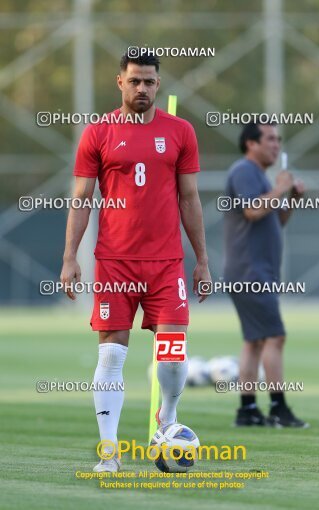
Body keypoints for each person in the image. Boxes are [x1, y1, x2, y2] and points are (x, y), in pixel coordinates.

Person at [60, 51, 211, 471]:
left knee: (173, 350)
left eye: (149, 81)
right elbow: (81, 199)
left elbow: (189, 198)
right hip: (114, 262)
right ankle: (109, 453)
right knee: (110, 356)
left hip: (166, 262)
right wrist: (70, 256)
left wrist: (201, 260)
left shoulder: (180, 131)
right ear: (120, 83)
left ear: (158, 85)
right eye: (135, 81)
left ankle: (169, 417)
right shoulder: (98, 133)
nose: (142, 88)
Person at [224, 122, 308, 428]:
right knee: (275, 336)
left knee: (255, 340)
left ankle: (247, 410)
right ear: (251, 144)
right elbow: (252, 210)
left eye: (278, 139)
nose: (276, 144)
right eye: (270, 139)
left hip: (255, 271)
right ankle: (278, 407)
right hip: (250, 271)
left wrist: (291, 200)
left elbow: (273, 220)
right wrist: (280, 187)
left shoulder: (259, 176)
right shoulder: (244, 171)